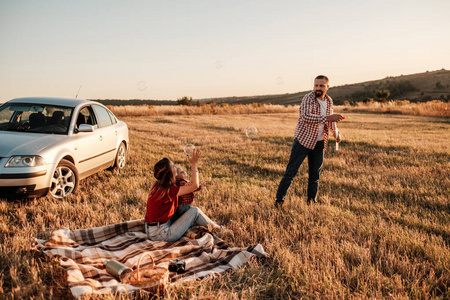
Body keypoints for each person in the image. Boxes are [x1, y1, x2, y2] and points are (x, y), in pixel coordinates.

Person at [275, 75, 344, 207]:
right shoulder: (308, 98)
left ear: (327, 87)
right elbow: (306, 117)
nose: (318, 88)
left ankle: (312, 203)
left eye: (321, 86)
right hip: (303, 141)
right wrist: (328, 117)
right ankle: (279, 201)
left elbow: (330, 121)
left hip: (319, 143)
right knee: (290, 173)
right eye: (316, 85)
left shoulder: (329, 101)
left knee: (315, 176)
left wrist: (336, 133)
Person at [145, 149, 231, 242]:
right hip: (162, 234)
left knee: (184, 208)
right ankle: (219, 230)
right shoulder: (168, 190)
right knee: (195, 211)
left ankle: (210, 225)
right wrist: (194, 164)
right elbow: (194, 185)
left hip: (151, 229)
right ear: (170, 174)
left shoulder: (159, 185)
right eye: (174, 166)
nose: (176, 167)